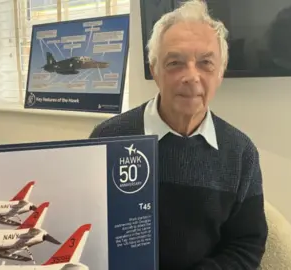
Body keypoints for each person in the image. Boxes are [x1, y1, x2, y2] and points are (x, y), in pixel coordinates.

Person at [89, 0, 268, 269]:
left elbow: (247, 243)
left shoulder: (241, 153)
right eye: (175, 63)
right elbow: (88, 226)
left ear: (220, 73)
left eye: (206, 63)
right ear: (155, 71)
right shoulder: (108, 138)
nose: (191, 76)